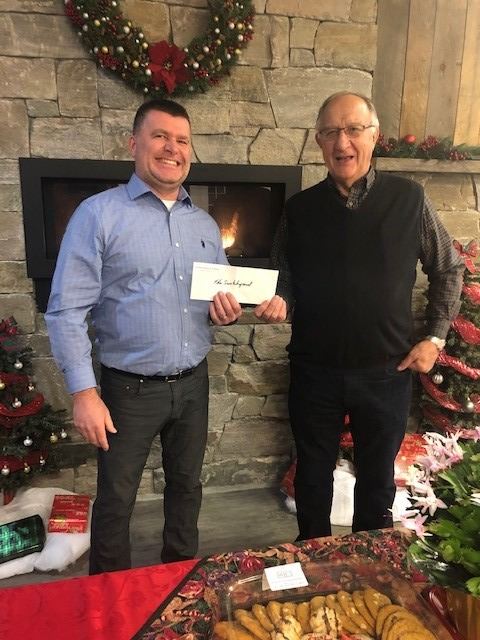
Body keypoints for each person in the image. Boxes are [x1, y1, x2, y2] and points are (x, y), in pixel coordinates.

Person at [45, 99, 285, 574]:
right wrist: (84, 393)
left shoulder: (204, 224)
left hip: (193, 383)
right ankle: (111, 595)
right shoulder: (98, 215)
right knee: (117, 499)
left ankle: (180, 582)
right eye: (159, 136)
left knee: (187, 487)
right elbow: (66, 310)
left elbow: (217, 303)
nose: (171, 148)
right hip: (127, 391)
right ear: (133, 144)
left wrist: (228, 312)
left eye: (181, 140)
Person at [272, 91, 464, 539]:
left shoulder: (409, 199)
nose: (343, 142)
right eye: (331, 132)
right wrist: (278, 299)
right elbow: (283, 277)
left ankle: (370, 563)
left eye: (354, 130)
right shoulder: (298, 210)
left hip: (386, 372)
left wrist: (434, 338)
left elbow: (449, 268)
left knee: (377, 483)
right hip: (314, 371)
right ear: (319, 141)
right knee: (311, 478)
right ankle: (313, 556)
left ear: (374, 136)